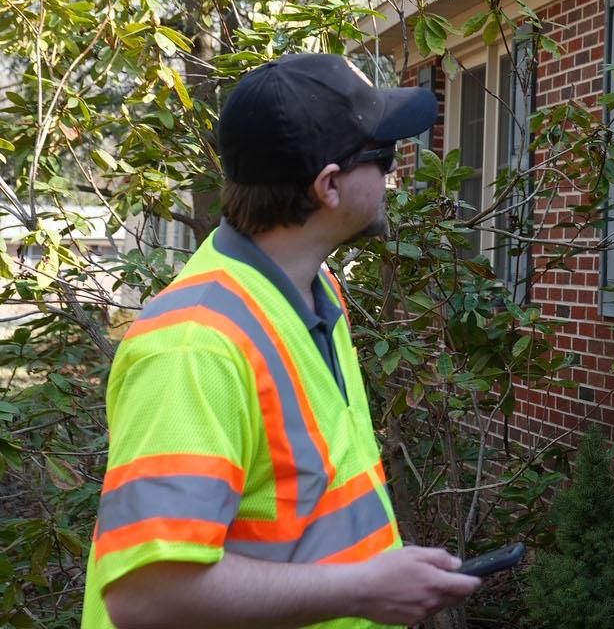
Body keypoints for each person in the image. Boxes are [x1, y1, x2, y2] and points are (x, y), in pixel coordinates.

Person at [82, 54, 481, 629]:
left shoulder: (315, 293)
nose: (392, 176)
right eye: (383, 157)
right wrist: (363, 590)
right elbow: (148, 597)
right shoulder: (195, 347)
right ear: (330, 186)